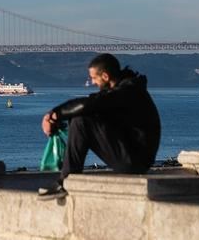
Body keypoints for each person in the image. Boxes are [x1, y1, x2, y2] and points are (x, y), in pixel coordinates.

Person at [38, 53, 161, 200]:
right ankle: (68, 178)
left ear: (105, 76)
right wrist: (58, 117)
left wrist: (54, 114)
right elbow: (92, 103)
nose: (92, 82)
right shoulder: (125, 89)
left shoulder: (127, 92)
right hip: (132, 155)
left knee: (81, 120)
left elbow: (89, 104)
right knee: (81, 117)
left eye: (94, 78)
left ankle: (66, 181)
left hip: (134, 162)